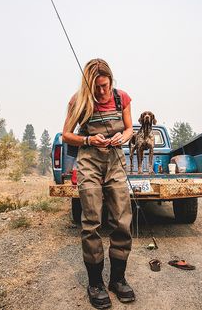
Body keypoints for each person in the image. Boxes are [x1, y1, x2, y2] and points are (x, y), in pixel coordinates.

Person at [62, 58, 135, 309]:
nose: (102, 92)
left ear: (111, 81)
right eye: (96, 88)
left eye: (105, 86)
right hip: (89, 163)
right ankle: (95, 283)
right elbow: (67, 134)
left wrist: (121, 137)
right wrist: (89, 141)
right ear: (88, 85)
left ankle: (117, 279)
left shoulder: (122, 98)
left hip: (115, 161)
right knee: (91, 221)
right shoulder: (78, 101)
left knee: (122, 221)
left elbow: (129, 129)